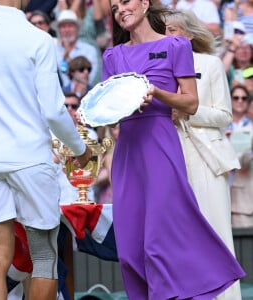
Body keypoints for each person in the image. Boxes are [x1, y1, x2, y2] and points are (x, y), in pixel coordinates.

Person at [101, 0, 245, 299]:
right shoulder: (112, 55)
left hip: (161, 143)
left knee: (158, 245)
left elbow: (191, 103)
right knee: (129, 251)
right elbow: (109, 111)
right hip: (128, 149)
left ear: (144, 3)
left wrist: (156, 93)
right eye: (115, 7)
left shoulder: (176, 46)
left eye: (125, 2)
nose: (120, 11)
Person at [0, 1, 92, 300]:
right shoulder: (38, 38)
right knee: (43, 257)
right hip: (30, 158)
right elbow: (55, 113)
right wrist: (80, 150)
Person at [165, 9, 242, 299]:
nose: (167, 36)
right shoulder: (157, 68)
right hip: (170, 158)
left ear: (189, 35)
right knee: (179, 241)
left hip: (207, 159)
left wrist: (187, 111)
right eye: (164, 31)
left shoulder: (210, 64)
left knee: (217, 235)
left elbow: (224, 116)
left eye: (173, 30)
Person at [225, 85, 253, 228]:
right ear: (230, 100)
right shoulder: (220, 127)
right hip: (222, 191)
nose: (240, 101)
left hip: (245, 196)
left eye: (244, 98)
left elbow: (246, 162)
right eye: (236, 97)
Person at [55, 9, 99, 88]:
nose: (67, 30)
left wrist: (69, 59)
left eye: (70, 26)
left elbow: (89, 79)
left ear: (77, 28)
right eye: (63, 27)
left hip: (83, 94)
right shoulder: (53, 50)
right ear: (59, 30)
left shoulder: (89, 50)